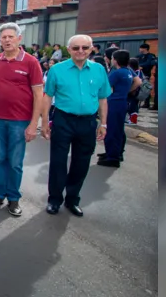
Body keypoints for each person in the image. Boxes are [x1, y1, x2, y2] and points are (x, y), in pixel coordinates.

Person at [41, 34, 110, 217]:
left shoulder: (99, 70)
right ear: (69, 49)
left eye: (85, 48)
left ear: (91, 49)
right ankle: (54, 199)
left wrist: (103, 123)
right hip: (63, 120)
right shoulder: (57, 70)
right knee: (58, 162)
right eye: (76, 48)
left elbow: (103, 98)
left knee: (81, 162)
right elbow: (47, 96)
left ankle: (72, 199)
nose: (81, 51)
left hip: (88, 122)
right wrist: (44, 121)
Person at [0, 23, 44, 217]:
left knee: (15, 162)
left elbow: (39, 94)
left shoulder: (31, 62)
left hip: (20, 121)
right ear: (0, 40)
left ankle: (13, 199)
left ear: (19, 39)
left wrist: (34, 123)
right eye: (4, 37)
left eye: (11, 36)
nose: (7, 40)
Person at [97, 50, 141, 167]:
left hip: (114, 103)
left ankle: (113, 157)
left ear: (115, 60)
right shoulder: (128, 71)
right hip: (122, 102)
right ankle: (112, 152)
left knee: (111, 130)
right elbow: (138, 82)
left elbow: (106, 87)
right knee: (117, 129)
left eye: (112, 58)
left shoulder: (116, 73)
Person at [136, 43, 157, 109]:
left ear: (145, 49)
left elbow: (149, 63)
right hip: (138, 74)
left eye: (141, 48)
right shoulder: (139, 56)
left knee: (145, 88)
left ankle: (146, 103)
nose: (140, 49)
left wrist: (141, 66)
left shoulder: (151, 56)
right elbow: (134, 62)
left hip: (146, 74)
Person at [126, 58, 143, 124]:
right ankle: (132, 118)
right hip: (135, 91)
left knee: (132, 105)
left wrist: (130, 89)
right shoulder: (138, 71)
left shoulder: (136, 72)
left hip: (134, 91)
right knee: (133, 105)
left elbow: (137, 81)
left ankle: (133, 119)